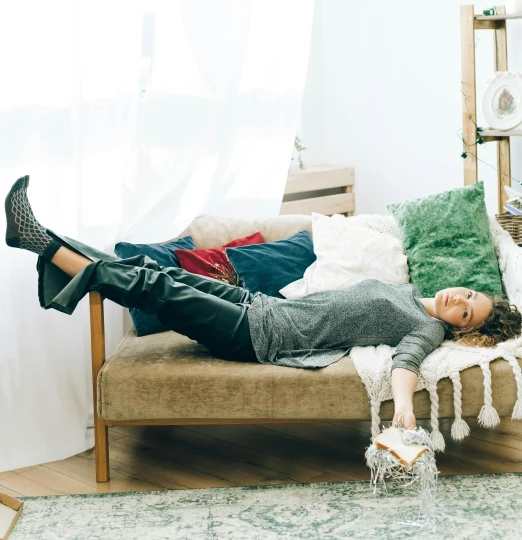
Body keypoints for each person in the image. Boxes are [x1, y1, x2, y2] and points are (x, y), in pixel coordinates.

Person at [5, 175, 522, 432]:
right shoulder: (407, 289)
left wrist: (404, 407)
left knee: (153, 290)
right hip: (259, 305)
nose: (460, 300)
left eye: (465, 313)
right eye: (470, 296)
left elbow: (406, 365)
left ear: (460, 330)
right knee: (157, 273)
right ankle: (45, 237)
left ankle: (38, 242)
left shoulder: (425, 329)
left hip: (258, 336)